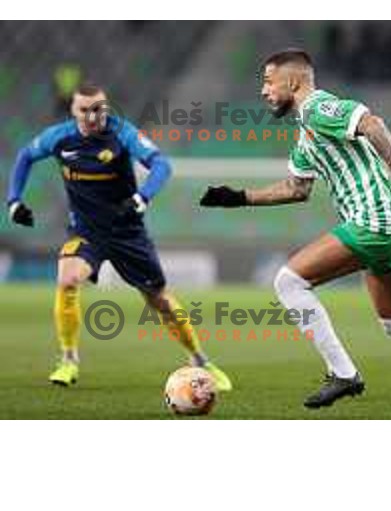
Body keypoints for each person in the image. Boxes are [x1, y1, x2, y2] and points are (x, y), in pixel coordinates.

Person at [200, 49, 391, 418]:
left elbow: (371, 124)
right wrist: (238, 198)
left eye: (267, 81)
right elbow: (297, 188)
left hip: (373, 218)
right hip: (390, 222)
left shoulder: (318, 108)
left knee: (289, 282)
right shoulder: (304, 133)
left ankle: (343, 373)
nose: (263, 91)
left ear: (293, 81)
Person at [7, 83, 231, 391]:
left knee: (160, 301)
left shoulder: (122, 133)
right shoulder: (58, 137)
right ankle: (68, 360)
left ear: (106, 108)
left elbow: (161, 164)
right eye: (84, 109)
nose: (91, 115)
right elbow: (24, 156)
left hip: (128, 232)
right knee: (68, 279)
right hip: (87, 231)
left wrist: (143, 196)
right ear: (73, 111)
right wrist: (14, 200)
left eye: (98, 108)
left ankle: (200, 359)